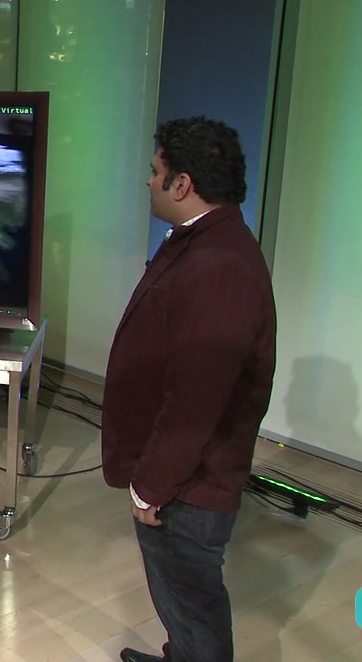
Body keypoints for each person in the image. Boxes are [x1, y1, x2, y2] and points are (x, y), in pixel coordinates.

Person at [102, 116, 277, 662]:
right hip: (180, 473)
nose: (147, 180)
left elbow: (197, 398)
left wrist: (152, 485)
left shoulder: (220, 266)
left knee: (191, 598)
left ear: (182, 184)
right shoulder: (202, 241)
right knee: (176, 594)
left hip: (189, 483)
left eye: (155, 171)